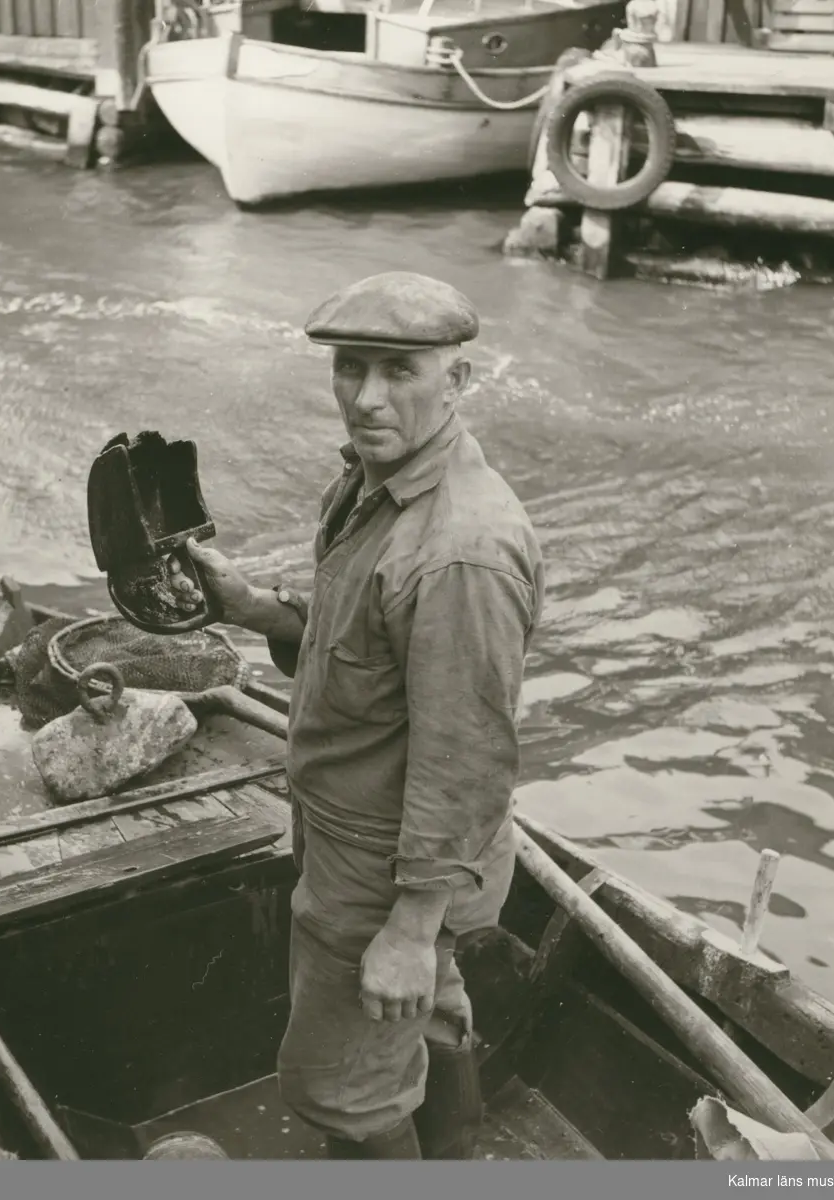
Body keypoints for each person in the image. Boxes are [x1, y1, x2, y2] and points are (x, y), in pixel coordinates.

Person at [176, 272, 544, 1160]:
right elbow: (371, 655)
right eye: (351, 368)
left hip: (392, 870)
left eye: (400, 371)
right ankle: (455, 1155)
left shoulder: (459, 550)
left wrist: (410, 932)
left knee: (348, 1090)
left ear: (455, 382)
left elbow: (467, 758)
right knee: (432, 1015)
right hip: (382, 844)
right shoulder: (381, 481)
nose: (367, 398)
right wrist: (259, 610)